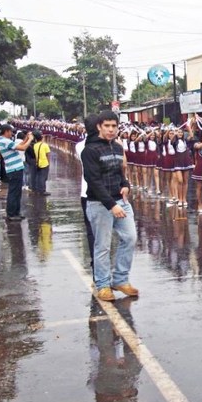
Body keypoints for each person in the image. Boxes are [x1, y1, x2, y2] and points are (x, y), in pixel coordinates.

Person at [81, 110, 138, 302]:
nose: (111, 130)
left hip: (121, 201)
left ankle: (120, 279)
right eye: (107, 126)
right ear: (99, 127)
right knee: (103, 246)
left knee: (130, 238)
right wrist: (111, 205)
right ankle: (103, 285)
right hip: (100, 204)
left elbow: (120, 173)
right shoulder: (90, 150)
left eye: (114, 126)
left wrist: (125, 186)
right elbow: (93, 181)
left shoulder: (117, 147)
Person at [76, 114, 99, 273]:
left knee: (92, 231)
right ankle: (98, 263)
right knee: (98, 232)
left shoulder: (79, 145)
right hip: (94, 194)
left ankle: (96, 261)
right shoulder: (86, 147)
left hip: (86, 193)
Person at [0, 125, 34, 221]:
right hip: (14, 169)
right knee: (14, 192)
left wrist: (26, 138)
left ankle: (16, 212)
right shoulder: (5, 141)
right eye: (10, 132)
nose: (12, 133)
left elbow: (20, 145)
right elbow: (22, 148)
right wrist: (30, 140)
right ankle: (11, 214)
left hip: (15, 168)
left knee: (17, 192)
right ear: (6, 131)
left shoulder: (4, 141)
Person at [33, 130, 51, 196]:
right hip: (44, 163)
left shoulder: (35, 145)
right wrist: (49, 163)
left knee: (39, 176)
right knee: (43, 177)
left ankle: (38, 189)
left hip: (37, 163)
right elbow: (48, 155)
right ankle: (42, 190)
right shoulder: (45, 145)